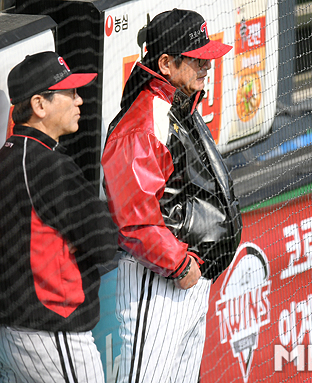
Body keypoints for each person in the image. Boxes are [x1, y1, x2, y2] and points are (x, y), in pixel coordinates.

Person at [101, 9, 242, 383]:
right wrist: (180, 265)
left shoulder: (181, 105)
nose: (206, 67)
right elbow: (134, 220)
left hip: (188, 277)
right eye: (197, 60)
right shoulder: (143, 123)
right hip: (160, 280)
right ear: (166, 62)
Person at [0, 51, 118, 383]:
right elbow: (103, 243)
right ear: (39, 105)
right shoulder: (46, 165)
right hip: (48, 335)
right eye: (69, 93)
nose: (79, 100)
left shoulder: (7, 158)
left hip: (9, 331)